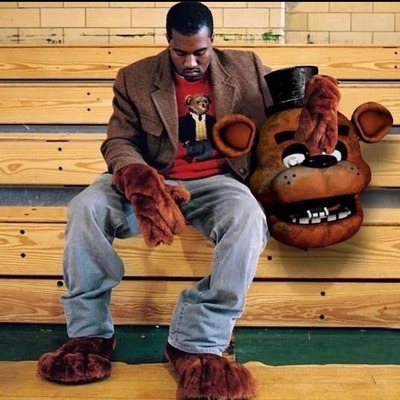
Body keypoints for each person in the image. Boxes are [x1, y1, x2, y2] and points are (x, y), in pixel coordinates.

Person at [37, 2, 272, 399]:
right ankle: (89, 337)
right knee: (85, 207)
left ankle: (196, 340)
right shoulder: (135, 78)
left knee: (248, 219)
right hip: (153, 179)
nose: (191, 62)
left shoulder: (246, 66)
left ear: (213, 41)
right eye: (180, 53)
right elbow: (119, 140)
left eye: (200, 52)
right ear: (168, 43)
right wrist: (138, 177)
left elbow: (288, 108)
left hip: (218, 182)